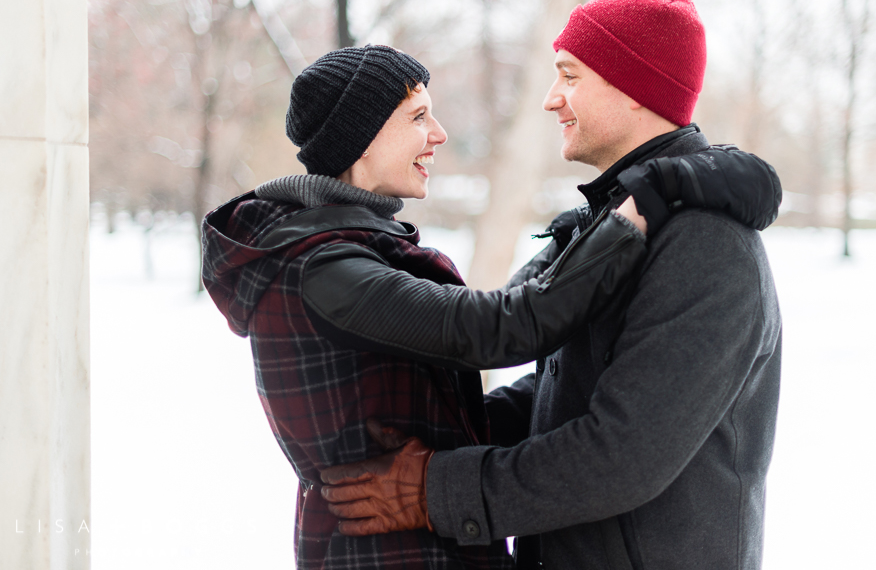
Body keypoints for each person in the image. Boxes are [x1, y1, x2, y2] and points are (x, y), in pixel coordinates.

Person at [319, 0, 783, 570]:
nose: (550, 99)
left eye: (569, 75)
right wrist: (460, 428)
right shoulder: (624, 219)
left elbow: (621, 455)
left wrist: (432, 490)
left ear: (635, 89)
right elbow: (577, 385)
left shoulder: (705, 244)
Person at [201, 44, 706, 569]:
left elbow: (450, 393)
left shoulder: (345, 251)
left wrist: (574, 239)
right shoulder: (323, 271)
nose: (438, 134)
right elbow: (503, 328)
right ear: (363, 138)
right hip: (387, 556)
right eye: (419, 117)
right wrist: (639, 207)